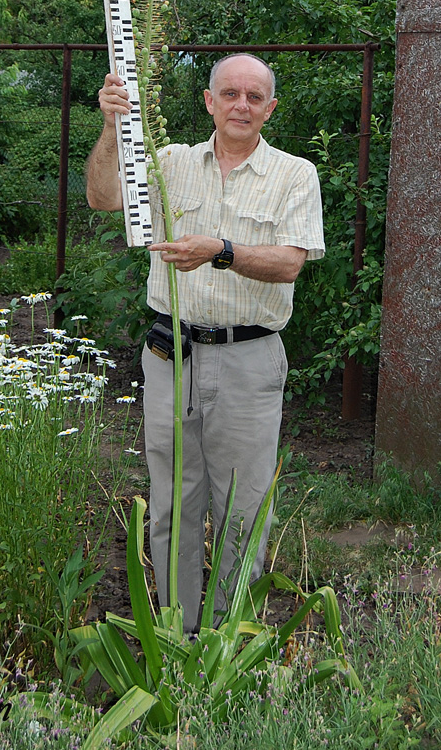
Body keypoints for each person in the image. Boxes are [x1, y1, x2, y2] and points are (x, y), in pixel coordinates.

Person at [86, 53, 325, 632]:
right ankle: (178, 637)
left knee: (242, 511)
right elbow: (102, 196)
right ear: (209, 101)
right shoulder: (168, 164)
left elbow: (290, 263)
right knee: (173, 506)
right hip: (172, 356)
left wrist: (220, 249)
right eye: (229, 93)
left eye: (253, 96)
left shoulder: (294, 175)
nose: (241, 105)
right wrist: (112, 126)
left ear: (270, 107)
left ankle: (229, 647)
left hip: (249, 361)